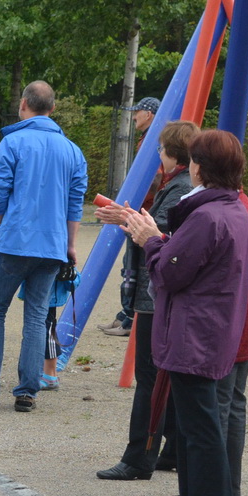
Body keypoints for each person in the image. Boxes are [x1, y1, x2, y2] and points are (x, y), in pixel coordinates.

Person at [114, 129, 248, 496]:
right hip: (210, 328)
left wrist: (150, 241)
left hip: (196, 331)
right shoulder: (233, 209)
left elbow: (171, 272)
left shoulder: (208, 216)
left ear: (200, 168)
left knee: (201, 425)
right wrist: (161, 241)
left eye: (194, 160)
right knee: (194, 423)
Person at [0, 81, 88, 413]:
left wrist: (1, 228)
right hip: (53, 246)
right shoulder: (73, 151)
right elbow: (75, 204)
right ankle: (28, 391)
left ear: (23, 105)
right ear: (53, 109)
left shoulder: (12, 142)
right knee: (36, 317)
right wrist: (70, 245)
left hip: (15, 242)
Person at [94, 119, 198, 479]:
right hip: (159, 292)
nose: (158, 153)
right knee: (162, 377)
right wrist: (127, 217)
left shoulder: (180, 187)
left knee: (150, 378)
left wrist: (127, 218)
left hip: (157, 293)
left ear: (171, 153)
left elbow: (161, 233)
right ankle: (173, 449)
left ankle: (139, 458)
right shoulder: (178, 184)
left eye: (160, 148)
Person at [99, 97, 163, 337]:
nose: (134, 116)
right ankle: (126, 313)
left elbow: (155, 178)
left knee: (133, 266)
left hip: (143, 212)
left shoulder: (154, 140)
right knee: (130, 265)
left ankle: (129, 317)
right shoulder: (148, 139)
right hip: (142, 210)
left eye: (137, 112)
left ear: (148, 114)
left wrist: (134, 202)